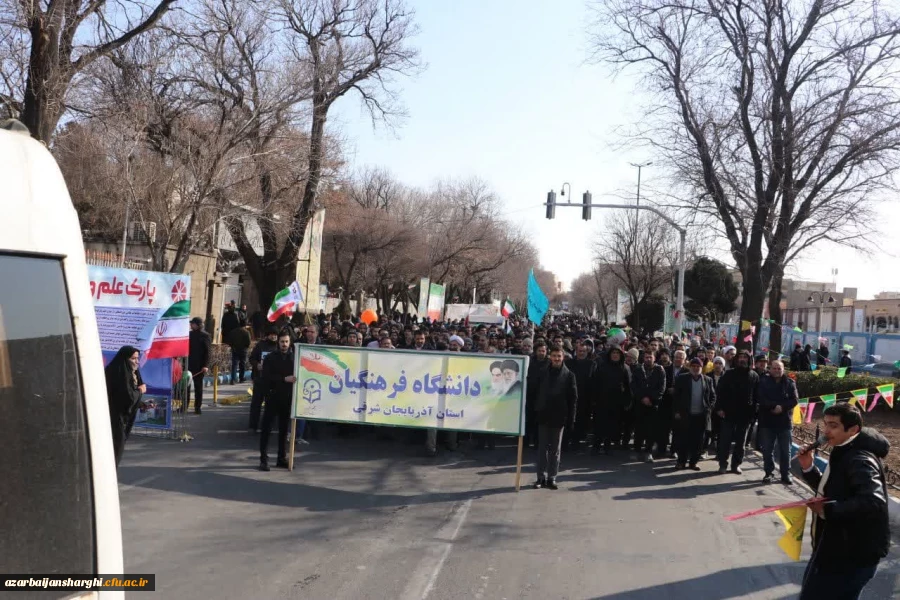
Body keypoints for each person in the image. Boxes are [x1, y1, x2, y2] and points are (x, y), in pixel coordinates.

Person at [797, 403, 890, 600]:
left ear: (853, 430)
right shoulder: (843, 450)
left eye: (833, 426)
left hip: (850, 555)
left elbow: (873, 502)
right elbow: (834, 491)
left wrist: (826, 511)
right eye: (825, 425)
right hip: (835, 547)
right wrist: (809, 468)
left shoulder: (859, 459)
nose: (826, 431)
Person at [533, 345, 577, 490]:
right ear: (550, 357)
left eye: (559, 356)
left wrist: (571, 419)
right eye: (554, 356)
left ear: (563, 357)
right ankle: (540, 477)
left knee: (555, 451)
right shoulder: (542, 373)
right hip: (543, 416)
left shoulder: (569, 375)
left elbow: (573, 399)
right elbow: (535, 393)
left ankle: (552, 477)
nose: (556, 359)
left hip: (559, 418)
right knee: (542, 449)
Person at [714, 350, 759, 474]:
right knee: (725, 441)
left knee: (740, 443)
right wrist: (719, 408)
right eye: (740, 357)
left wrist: (754, 414)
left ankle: (736, 465)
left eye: (745, 357)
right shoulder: (728, 374)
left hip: (745, 415)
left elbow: (756, 397)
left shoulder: (754, 376)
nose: (742, 359)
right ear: (736, 359)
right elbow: (719, 393)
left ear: (749, 360)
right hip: (728, 413)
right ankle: (723, 464)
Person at [756, 359, 799, 484]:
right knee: (767, 450)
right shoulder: (763, 381)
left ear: (783, 370)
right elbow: (760, 398)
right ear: (770, 369)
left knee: (786, 450)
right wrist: (774, 406)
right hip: (767, 421)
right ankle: (768, 473)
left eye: (779, 368)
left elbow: (794, 400)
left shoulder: (790, 383)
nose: (777, 370)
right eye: (774, 368)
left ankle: (785, 474)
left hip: (784, 422)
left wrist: (782, 407)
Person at [258, 331, 296, 471]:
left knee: (283, 430)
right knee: (266, 429)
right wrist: (284, 379)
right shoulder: (270, 358)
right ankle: (264, 460)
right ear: (278, 342)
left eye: (286, 342)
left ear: (289, 342)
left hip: (287, 399)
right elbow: (267, 377)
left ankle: (281, 458)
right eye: (282, 342)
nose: (284, 344)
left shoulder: (294, 358)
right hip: (272, 398)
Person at [105, 346, 146, 467]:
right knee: (115, 449)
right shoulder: (119, 372)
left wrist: (141, 403)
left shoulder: (130, 372)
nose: (136, 362)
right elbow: (127, 397)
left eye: (137, 358)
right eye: (133, 359)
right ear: (125, 359)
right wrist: (140, 391)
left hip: (122, 418)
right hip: (114, 417)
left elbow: (130, 396)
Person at [672, 358, 716, 470]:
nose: (696, 368)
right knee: (683, 440)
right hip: (685, 415)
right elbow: (676, 396)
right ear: (690, 367)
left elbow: (712, 396)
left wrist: (709, 408)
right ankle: (681, 462)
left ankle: (693, 462)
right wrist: (677, 411)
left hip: (701, 416)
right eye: (694, 366)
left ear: (702, 368)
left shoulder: (708, 380)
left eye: (698, 366)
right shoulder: (682, 378)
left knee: (698, 441)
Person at [592, 346, 632, 455]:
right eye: (613, 352)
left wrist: (627, 402)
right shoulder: (602, 367)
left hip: (616, 402)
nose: (615, 355)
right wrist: (594, 399)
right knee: (599, 425)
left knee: (612, 426)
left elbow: (628, 387)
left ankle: (607, 447)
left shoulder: (625, 368)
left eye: (617, 353)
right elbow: (595, 384)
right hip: (601, 401)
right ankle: (596, 446)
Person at [630, 349, 666, 462]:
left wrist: (651, 398)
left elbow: (661, 388)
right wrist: (642, 398)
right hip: (640, 404)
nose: (648, 359)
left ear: (654, 358)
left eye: (650, 357)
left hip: (653, 404)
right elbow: (634, 386)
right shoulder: (637, 370)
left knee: (651, 429)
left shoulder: (660, 370)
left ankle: (648, 451)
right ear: (643, 358)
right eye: (646, 357)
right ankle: (637, 450)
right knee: (639, 428)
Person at [565, 341, 595, 450]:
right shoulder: (569, 363)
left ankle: (576, 441)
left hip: (584, 397)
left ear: (587, 352)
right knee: (569, 419)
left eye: (583, 351)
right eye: (579, 351)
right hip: (570, 396)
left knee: (581, 420)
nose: (581, 353)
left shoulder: (591, 364)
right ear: (575, 351)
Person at [248, 326, 279, 431]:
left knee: (271, 405)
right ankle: (253, 426)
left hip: (273, 382)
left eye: (275, 335)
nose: (273, 337)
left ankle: (268, 426)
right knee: (256, 403)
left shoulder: (279, 346)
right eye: (271, 334)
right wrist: (257, 365)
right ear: (268, 335)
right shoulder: (260, 345)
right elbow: (251, 358)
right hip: (260, 379)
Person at [525, 339, 549, 448]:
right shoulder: (529, 361)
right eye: (540, 351)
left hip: (542, 397)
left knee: (538, 422)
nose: (541, 353)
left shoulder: (549, 363)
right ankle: (525, 442)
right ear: (535, 351)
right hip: (529, 396)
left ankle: (537, 443)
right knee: (528, 420)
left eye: (543, 351)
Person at [187, 317, 211, 414]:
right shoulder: (190, 334)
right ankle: (184, 405)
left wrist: (205, 365)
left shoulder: (205, 336)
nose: (191, 325)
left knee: (198, 387)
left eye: (192, 323)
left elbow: (208, 352)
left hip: (199, 365)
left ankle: (197, 407)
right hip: (188, 364)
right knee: (186, 386)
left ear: (198, 324)